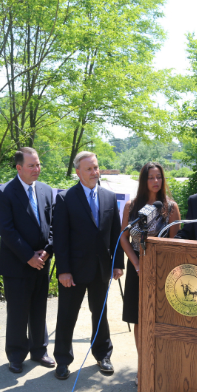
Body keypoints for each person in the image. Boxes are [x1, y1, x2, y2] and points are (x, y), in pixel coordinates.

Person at [52, 151, 124, 380]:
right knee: (67, 315)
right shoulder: (65, 198)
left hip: (101, 269)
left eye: (96, 167)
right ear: (78, 172)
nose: (95, 172)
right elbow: (60, 238)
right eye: (89, 169)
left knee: (100, 314)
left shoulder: (109, 197)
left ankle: (103, 354)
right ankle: (62, 360)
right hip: (72, 271)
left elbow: (116, 233)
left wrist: (117, 263)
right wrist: (63, 269)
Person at [0, 147, 55, 374]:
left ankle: (40, 351)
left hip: (42, 262)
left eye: (38, 164)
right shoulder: (5, 193)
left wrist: (47, 251)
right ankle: (16, 355)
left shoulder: (47, 191)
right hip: (17, 265)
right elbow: (6, 229)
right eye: (31, 165)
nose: (36, 169)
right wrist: (29, 256)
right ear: (19, 168)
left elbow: (53, 224)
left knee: (39, 309)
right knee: (18, 312)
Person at [120, 162, 181, 383]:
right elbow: (124, 238)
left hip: (163, 272)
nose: (156, 181)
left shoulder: (171, 207)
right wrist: (136, 264)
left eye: (159, 177)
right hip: (137, 269)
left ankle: (161, 364)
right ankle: (143, 365)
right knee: (139, 319)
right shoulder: (131, 206)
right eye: (151, 177)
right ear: (143, 180)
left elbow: (176, 241)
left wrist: (163, 266)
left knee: (161, 319)